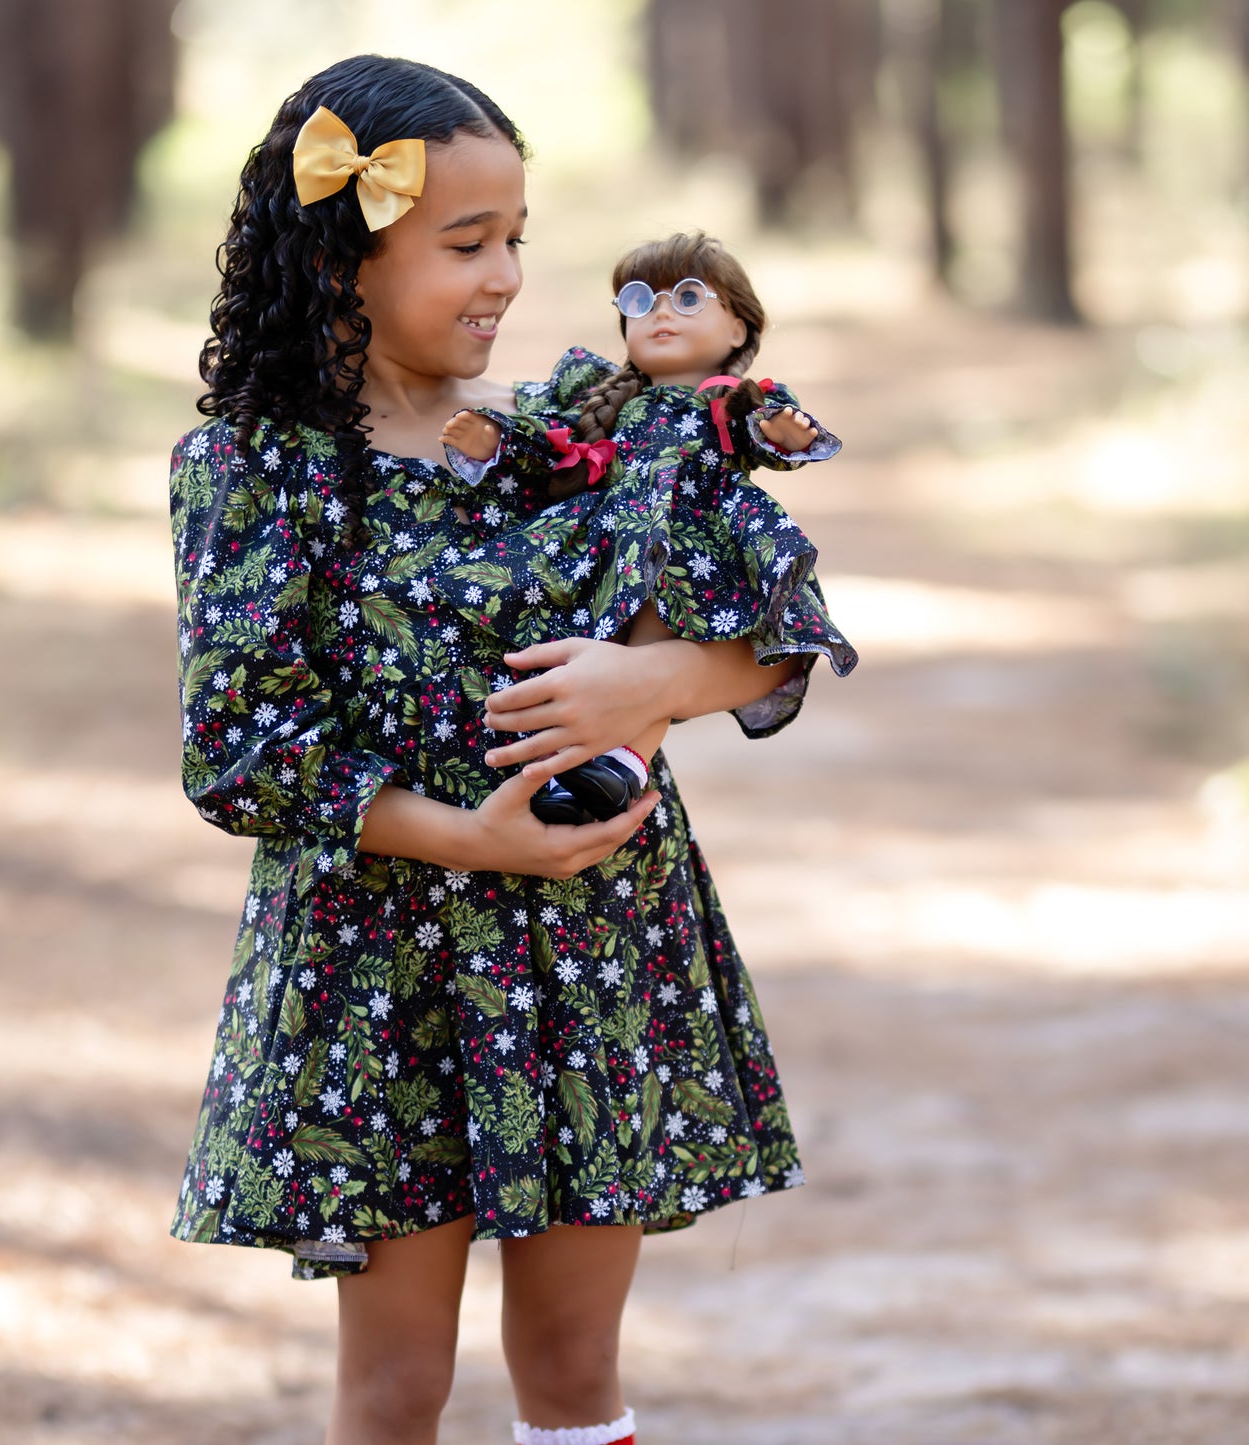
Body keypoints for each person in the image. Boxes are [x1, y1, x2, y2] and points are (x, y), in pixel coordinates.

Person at [167, 55, 854, 1445]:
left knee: (570, 1365)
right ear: (343, 254)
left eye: (518, 241)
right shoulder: (255, 466)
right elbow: (241, 747)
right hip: (381, 968)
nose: (505, 278)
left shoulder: (568, 437)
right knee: (397, 1383)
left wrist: (651, 679)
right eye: (464, 243)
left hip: (591, 947)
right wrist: (467, 832)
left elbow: (784, 624)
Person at [435, 231, 848, 824]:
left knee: (649, 657)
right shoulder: (610, 398)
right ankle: (575, 761)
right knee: (585, 648)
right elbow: (556, 440)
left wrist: (783, 434)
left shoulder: (732, 402)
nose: (658, 312)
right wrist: (499, 441)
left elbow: (772, 437)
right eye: (637, 300)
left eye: (686, 298)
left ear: (738, 328)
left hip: (693, 542)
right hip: (608, 541)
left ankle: (625, 760)